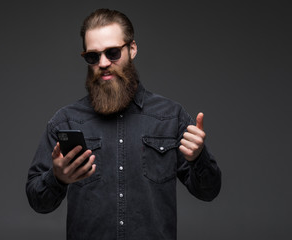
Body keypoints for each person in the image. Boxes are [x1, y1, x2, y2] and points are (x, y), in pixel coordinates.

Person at [26, 8, 221, 240]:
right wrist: (57, 179)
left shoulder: (171, 116)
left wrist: (198, 157)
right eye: (93, 56)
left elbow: (208, 192)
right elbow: (38, 202)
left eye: (113, 52)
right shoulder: (66, 121)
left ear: (132, 49)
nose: (103, 62)